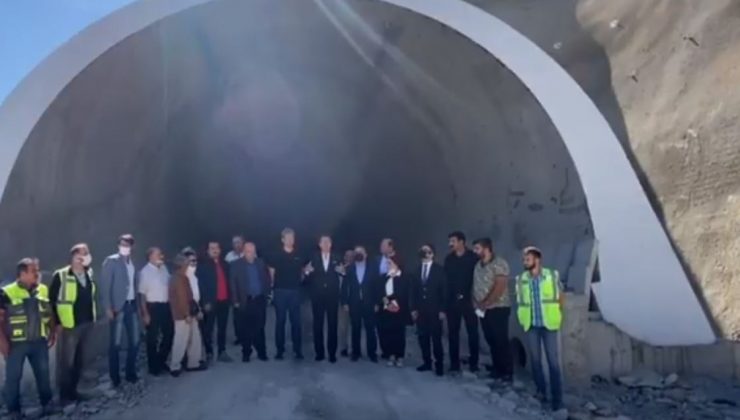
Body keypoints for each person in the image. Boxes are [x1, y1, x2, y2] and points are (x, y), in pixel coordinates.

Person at [0, 258, 56, 419]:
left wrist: (52, 331)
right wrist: (2, 342)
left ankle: (47, 404)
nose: (37, 274)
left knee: (43, 375)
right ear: (22, 274)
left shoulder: (43, 289)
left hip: (39, 341)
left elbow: (49, 311)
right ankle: (14, 411)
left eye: (37, 270)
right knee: (13, 377)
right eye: (33, 271)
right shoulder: (6, 292)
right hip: (15, 344)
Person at [515, 246, 565, 412]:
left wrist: (557, 314)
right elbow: (520, 300)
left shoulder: (551, 275)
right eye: (524, 259)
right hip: (531, 325)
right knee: (535, 361)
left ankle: (557, 399)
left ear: (537, 260)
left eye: (528, 259)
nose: (525, 262)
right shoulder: (521, 279)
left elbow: (560, 297)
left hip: (549, 324)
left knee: (553, 363)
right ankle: (541, 392)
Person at [51, 243, 97, 402]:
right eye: (83, 253)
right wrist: (57, 323)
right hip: (69, 325)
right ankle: (64, 395)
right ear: (74, 256)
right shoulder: (61, 275)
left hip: (86, 322)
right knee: (66, 363)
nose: (86, 256)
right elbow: (52, 301)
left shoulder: (89, 273)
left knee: (79, 361)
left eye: (87, 253)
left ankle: (74, 391)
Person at [100, 234, 140, 386]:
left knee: (135, 341)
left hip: (131, 305)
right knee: (115, 344)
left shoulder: (132, 262)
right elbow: (105, 286)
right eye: (122, 244)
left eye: (128, 245)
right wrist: (108, 307)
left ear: (132, 246)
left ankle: (130, 373)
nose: (125, 247)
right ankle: (115, 376)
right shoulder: (111, 261)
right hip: (118, 307)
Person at [472, 237, 513, 382]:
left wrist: (487, 302)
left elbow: (500, 286)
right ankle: (497, 368)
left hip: (498, 308)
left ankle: (507, 371)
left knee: (500, 339)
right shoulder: (478, 265)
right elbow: (475, 285)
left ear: (486, 248)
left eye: (477, 248)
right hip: (483, 309)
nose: (475, 251)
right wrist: (476, 302)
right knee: (490, 339)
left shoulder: (499, 263)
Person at [444, 231, 480, 374]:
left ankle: (474, 363)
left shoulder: (473, 258)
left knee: (473, 332)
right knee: (453, 333)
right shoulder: (449, 259)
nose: (450, 244)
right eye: (450, 241)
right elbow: (446, 281)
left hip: (469, 301)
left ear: (462, 242)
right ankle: (454, 364)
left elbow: (478, 279)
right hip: (452, 302)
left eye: (453, 241)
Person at [267, 228, 306, 360]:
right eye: (288, 238)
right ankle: (280, 350)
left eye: (292, 238)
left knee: (296, 322)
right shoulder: (276, 254)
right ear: (283, 239)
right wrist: (272, 289)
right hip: (280, 291)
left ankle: (297, 350)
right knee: (280, 322)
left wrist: (300, 281)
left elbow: (302, 271)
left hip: (295, 291)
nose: (290, 240)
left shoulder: (299, 254)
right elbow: (271, 272)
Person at [410, 244, 447, 376]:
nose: (424, 253)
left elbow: (444, 290)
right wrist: (413, 308)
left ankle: (439, 365)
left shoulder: (439, 270)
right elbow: (413, 291)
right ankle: (427, 362)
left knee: (436, 339)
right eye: (422, 251)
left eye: (427, 251)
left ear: (432, 254)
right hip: (421, 310)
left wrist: (443, 309)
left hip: (435, 310)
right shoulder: (416, 270)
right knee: (423, 338)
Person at [230, 242, 270, 362]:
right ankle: (246, 353)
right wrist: (235, 300)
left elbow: (266, 279)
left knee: (260, 327)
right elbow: (233, 283)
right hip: (245, 300)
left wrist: (267, 294)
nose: (251, 254)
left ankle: (262, 352)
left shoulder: (260, 263)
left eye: (253, 252)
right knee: (245, 328)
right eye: (248, 252)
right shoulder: (236, 264)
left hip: (259, 299)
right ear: (244, 252)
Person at [305, 235, 343, 363]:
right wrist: (307, 272)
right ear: (319, 244)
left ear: (331, 244)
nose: (326, 244)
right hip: (317, 296)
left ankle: (332, 353)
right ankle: (319, 353)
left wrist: (343, 271)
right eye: (323, 242)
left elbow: (343, 273)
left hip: (332, 295)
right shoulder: (313, 257)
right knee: (318, 324)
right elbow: (307, 276)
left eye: (328, 242)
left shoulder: (337, 257)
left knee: (333, 324)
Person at [138, 247, 173, 375]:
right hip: (152, 307)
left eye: (161, 254)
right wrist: (145, 313)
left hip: (165, 306)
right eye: (158, 254)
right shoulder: (145, 272)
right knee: (152, 338)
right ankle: (153, 367)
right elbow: (142, 295)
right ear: (150, 256)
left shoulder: (164, 268)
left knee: (169, 334)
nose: (161, 256)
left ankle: (161, 361)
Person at [169, 254, 206, 376]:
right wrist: (186, 314)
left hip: (189, 313)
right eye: (186, 263)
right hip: (183, 316)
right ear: (181, 265)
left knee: (194, 338)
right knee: (181, 340)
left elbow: (189, 297)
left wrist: (196, 311)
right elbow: (181, 298)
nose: (188, 265)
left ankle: (193, 363)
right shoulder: (178, 279)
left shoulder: (182, 277)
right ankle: (175, 366)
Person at [341, 246, 379, 362]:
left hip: (369, 302)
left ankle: (372, 353)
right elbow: (345, 286)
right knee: (355, 328)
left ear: (366, 254)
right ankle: (356, 352)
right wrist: (344, 302)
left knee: (370, 329)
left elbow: (377, 286)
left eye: (360, 252)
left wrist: (377, 302)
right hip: (354, 303)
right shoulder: (350, 268)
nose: (358, 254)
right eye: (356, 252)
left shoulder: (373, 268)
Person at [197, 241, 233, 363]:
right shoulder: (202, 266)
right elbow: (201, 286)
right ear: (207, 251)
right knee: (208, 328)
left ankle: (222, 351)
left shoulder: (225, 265)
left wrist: (231, 298)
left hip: (224, 300)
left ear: (220, 250)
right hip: (210, 302)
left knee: (222, 328)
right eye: (212, 248)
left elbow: (229, 282)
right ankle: (209, 352)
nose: (215, 250)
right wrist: (204, 302)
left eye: (217, 248)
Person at [377, 256, 409, 368]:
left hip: (400, 310)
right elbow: (380, 292)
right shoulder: (384, 278)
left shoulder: (405, 278)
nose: (388, 266)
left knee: (399, 334)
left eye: (390, 263)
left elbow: (405, 293)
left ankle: (399, 356)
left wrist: (396, 304)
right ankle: (390, 355)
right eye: (387, 264)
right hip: (386, 309)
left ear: (397, 264)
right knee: (388, 333)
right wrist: (387, 303)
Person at [376, 238, 398, 359]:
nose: (381, 247)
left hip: (393, 297)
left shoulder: (398, 259)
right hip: (380, 297)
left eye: (383, 245)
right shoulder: (377, 260)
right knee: (381, 326)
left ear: (390, 247)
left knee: (393, 326)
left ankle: (394, 352)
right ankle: (385, 351)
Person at [225, 235, 245, 344]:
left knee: (249, 314)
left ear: (243, 243)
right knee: (237, 316)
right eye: (235, 242)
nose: (237, 245)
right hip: (235, 290)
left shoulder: (248, 253)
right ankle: (239, 337)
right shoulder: (229, 256)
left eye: (239, 242)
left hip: (247, 289)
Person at [338, 249, 354, 357]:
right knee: (343, 326)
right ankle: (343, 347)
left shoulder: (356, 269)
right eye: (347, 256)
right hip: (342, 301)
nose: (348, 258)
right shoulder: (339, 269)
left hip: (354, 301)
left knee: (354, 326)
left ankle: (354, 347)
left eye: (351, 256)